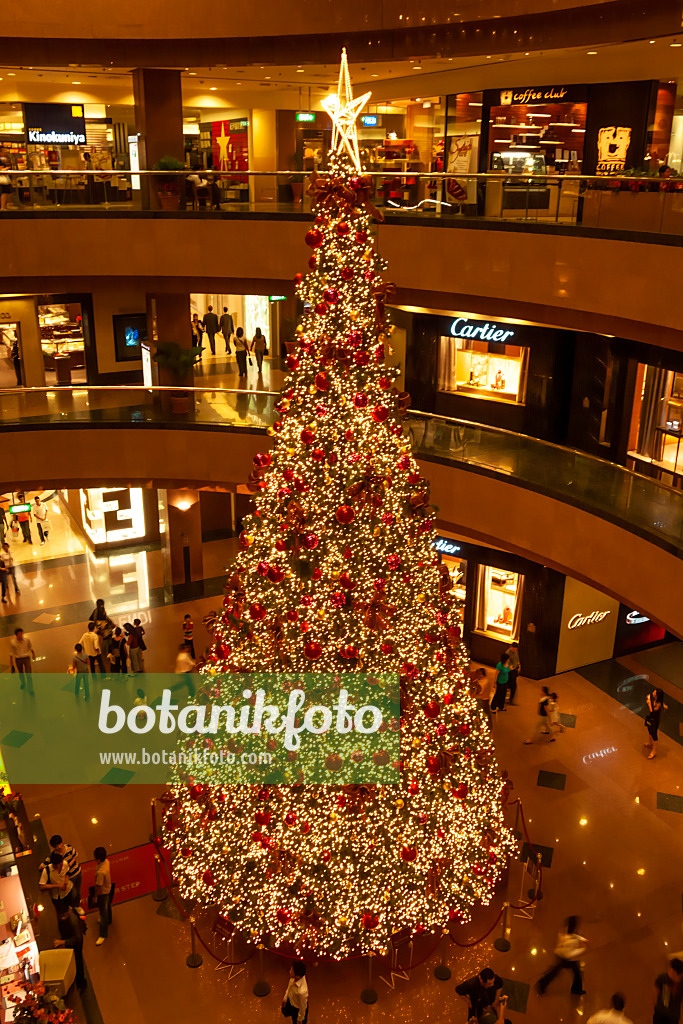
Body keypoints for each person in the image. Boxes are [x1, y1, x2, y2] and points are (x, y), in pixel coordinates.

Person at [537, 915, 587, 996]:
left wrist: (582, 939)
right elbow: (570, 954)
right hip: (566, 958)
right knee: (575, 973)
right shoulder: (570, 940)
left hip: (561, 955)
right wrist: (582, 949)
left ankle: (542, 985)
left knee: (555, 972)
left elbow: (575, 936)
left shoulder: (564, 932)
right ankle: (576, 990)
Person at [40, 835, 84, 917]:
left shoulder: (69, 848)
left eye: (58, 845)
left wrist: (70, 864)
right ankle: (74, 907)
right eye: (55, 846)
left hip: (78, 872)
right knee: (73, 893)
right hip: (69, 876)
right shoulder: (54, 855)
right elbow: (44, 864)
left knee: (78, 891)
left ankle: (77, 906)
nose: (58, 847)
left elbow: (75, 855)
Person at [54, 906, 87, 989]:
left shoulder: (73, 921)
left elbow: (78, 939)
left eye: (63, 916)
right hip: (70, 939)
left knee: (78, 960)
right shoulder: (64, 916)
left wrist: (63, 942)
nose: (62, 918)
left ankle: (81, 982)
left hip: (76, 944)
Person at [653, 958, 683, 1024]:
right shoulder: (663, 978)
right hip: (660, 1013)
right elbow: (656, 992)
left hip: (673, 1016)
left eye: (670, 969)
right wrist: (655, 1008)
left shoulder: (681, 984)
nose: (668, 970)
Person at [94, 846, 113, 946]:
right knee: (108, 906)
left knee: (103, 912)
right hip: (108, 888)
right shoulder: (107, 862)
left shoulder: (100, 872)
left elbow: (98, 887)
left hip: (103, 892)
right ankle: (109, 920)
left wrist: (95, 896)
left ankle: (103, 934)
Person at [90, 599, 114, 670]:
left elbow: (105, 618)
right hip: (104, 634)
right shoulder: (97, 612)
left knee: (108, 647)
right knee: (104, 650)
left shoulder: (99, 611)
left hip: (107, 633)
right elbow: (96, 622)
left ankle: (109, 655)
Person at [9, 627, 35, 694]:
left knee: (29, 674)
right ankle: (23, 683)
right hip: (18, 659)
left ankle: (31, 689)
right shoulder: (12, 642)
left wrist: (33, 654)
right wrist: (11, 662)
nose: (21, 635)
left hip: (26, 658)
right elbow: (11, 652)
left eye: (21, 633)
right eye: (19, 634)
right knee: (21, 673)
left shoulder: (27, 640)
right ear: (16, 635)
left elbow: (30, 647)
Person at [644, 688, 668, 759]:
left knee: (654, 734)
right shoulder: (654, 699)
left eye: (655, 692)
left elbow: (652, 712)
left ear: (657, 695)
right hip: (651, 719)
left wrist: (649, 703)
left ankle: (654, 751)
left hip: (655, 720)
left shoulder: (658, 704)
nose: (653, 692)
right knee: (650, 731)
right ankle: (649, 743)